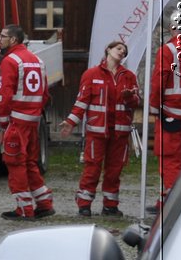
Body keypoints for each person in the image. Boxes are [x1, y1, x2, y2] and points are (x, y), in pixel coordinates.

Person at [60, 40, 141, 216]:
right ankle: (84, 204)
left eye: (124, 51)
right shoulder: (91, 74)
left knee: (115, 170)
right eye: (119, 48)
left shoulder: (129, 76)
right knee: (92, 168)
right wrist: (70, 121)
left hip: (119, 132)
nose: (122, 52)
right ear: (108, 50)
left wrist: (129, 98)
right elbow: (82, 101)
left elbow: (136, 103)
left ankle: (110, 205)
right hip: (97, 131)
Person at [0, 24, 55, 221]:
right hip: (33, 121)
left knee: (15, 162)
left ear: (13, 40)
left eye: (3, 36)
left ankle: (24, 208)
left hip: (17, 121)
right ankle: (44, 203)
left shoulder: (9, 61)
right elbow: (45, 93)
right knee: (30, 161)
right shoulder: (38, 60)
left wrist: (4, 121)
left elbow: (5, 94)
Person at [151, 26, 181, 204]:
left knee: (170, 157)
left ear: (173, 29)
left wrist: (154, 107)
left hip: (172, 113)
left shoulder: (168, 50)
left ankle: (172, 203)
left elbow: (159, 81)